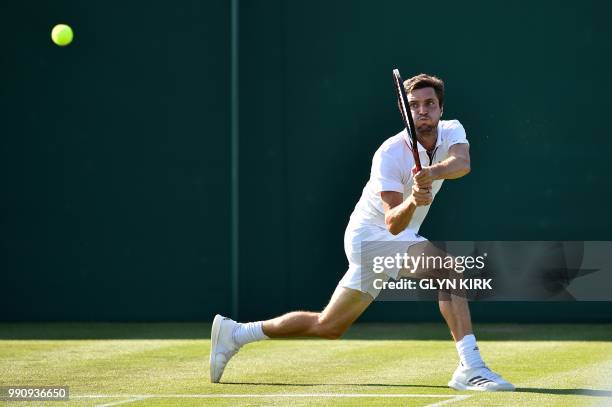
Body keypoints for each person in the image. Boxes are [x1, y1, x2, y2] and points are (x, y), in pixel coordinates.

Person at [210, 73, 515, 392]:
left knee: (328, 326)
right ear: (404, 109)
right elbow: (394, 223)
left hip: (390, 241)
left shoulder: (453, 130)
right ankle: (471, 367)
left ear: (440, 108)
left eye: (429, 104)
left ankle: (236, 333)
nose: (422, 110)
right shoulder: (389, 153)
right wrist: (413, 199)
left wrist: (431, 173)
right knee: (448, 271)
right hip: (371, 238)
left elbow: (462, 162)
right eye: (414, 105)